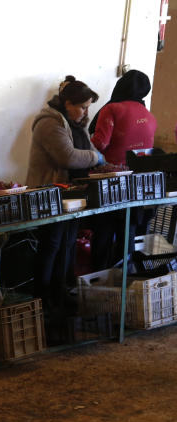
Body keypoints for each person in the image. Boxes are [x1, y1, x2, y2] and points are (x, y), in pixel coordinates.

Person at [26, 75, 103, 313]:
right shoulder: (50, 122)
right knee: (52, 244)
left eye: (87, 108)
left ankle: (60, 293)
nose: (85, 113)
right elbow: (67, 156)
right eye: (82, 107)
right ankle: (43, 299)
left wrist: (101, 160)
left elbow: (88, 150)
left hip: (71, 194)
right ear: (68, 103)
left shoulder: (75, 126)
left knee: (67, 244)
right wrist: (97, 158)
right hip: (49, 194)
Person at [88, 70, 157, 268]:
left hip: (109, 183)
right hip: (138, 184)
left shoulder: (112, 109)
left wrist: (81, 147)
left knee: (103, 232)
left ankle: (99, 281)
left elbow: (100, 143)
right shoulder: (149, 116)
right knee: (128, 232)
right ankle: (123, 279)